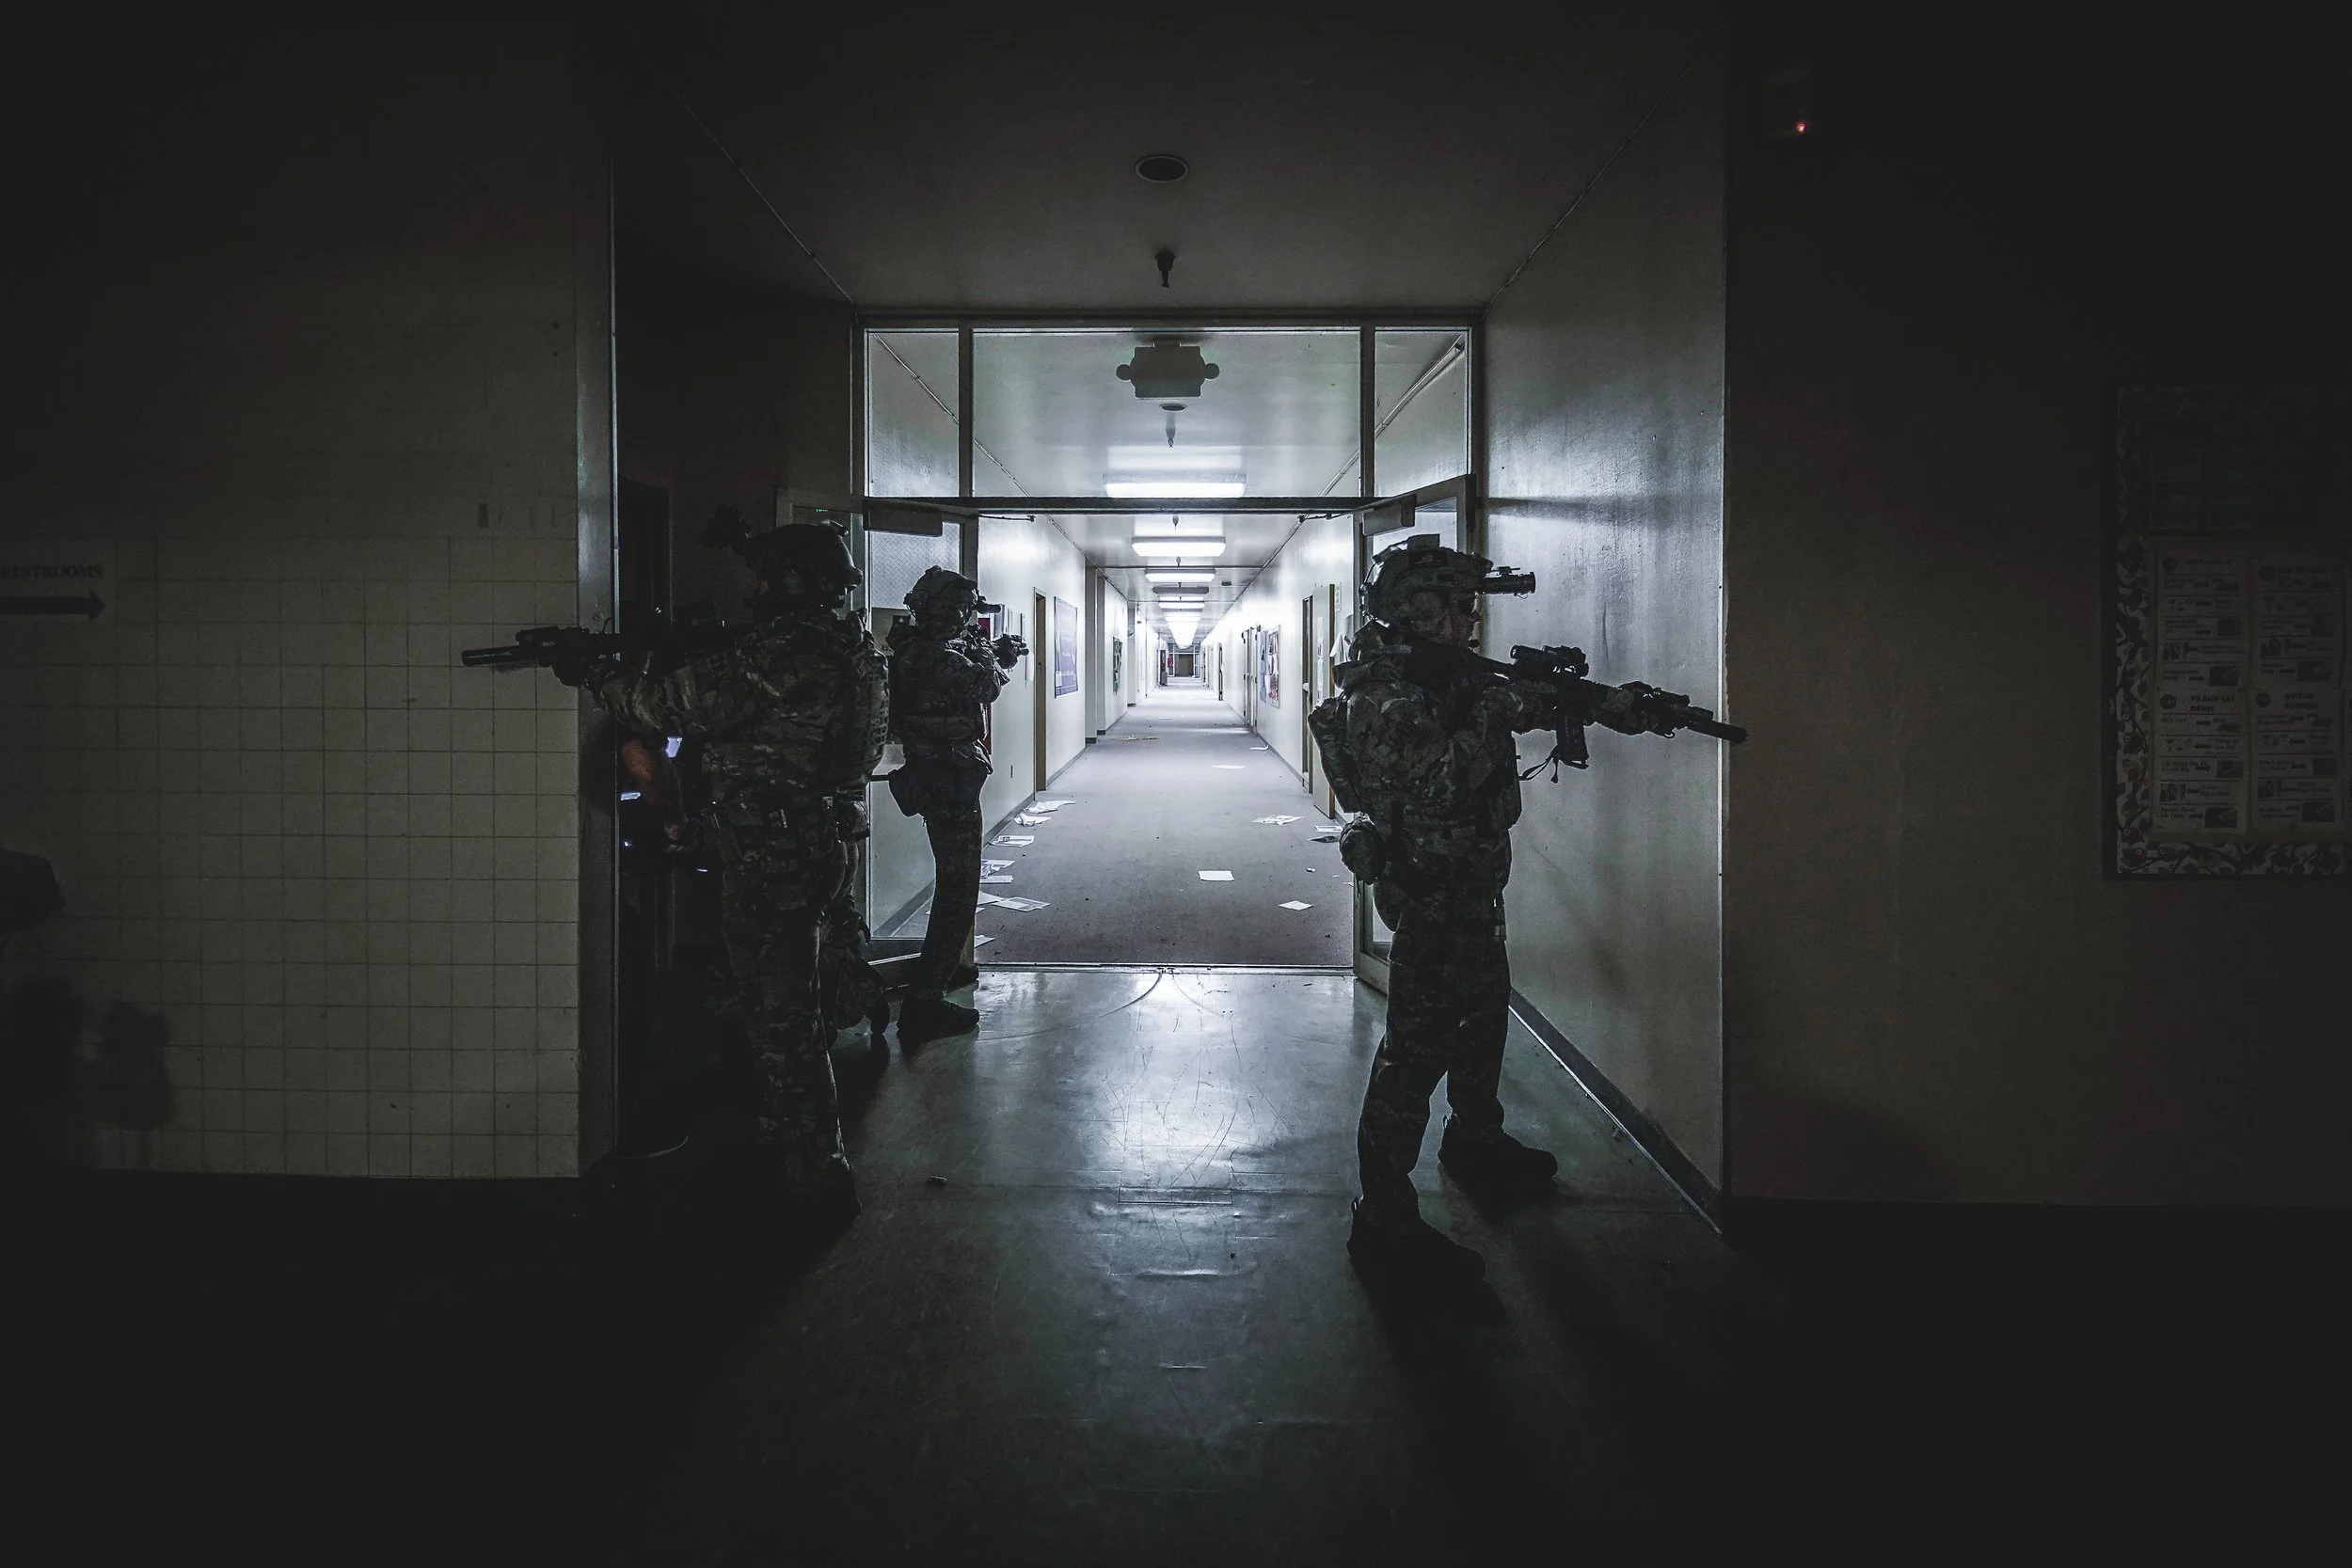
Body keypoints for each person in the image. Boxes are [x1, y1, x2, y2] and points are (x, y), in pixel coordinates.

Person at [553, 515, 888, 1230]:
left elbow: (671, 706)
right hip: (816, 834)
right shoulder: (846, 643)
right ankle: (798, 1134)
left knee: (780, 1014)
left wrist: (596, 672)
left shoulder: (787, 647)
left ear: (795, 581)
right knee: (791, 993)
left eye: (768, 577)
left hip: (775, 847)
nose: (759, 589)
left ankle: (816, 1177)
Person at [1326, 534, 1641, 1283]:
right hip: (1430, 895)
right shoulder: (1382, 695)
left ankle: (1475, 1136)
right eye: (1460, 608)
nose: (1471, 622)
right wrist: (1496, 713)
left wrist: (1589, 707)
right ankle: (1384, 1214)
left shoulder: (1439, 680)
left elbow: (1485, 720)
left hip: (1470, 886)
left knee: (1483, 1011)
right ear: (1422, 611)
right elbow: (1437, 781)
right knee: (1415, 1048)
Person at [883, 566, 1025, 1043]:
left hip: (939, 774)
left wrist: (984, 652)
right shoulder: (935, 657)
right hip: (947, 779)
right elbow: (985, 687)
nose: (967, 618)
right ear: (947, 611)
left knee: (956, 886)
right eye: (963, 611)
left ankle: (943, 973)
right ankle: (925, 1000)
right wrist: (994, 654)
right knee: (958, 889)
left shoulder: (910, 649)